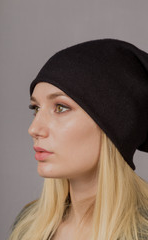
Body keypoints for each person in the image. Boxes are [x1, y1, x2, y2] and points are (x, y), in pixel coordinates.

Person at [8, 39, 148, 240]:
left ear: (113, 127)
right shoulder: (28, 224)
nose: (34, 129)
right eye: (36, 108)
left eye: (61, 108)